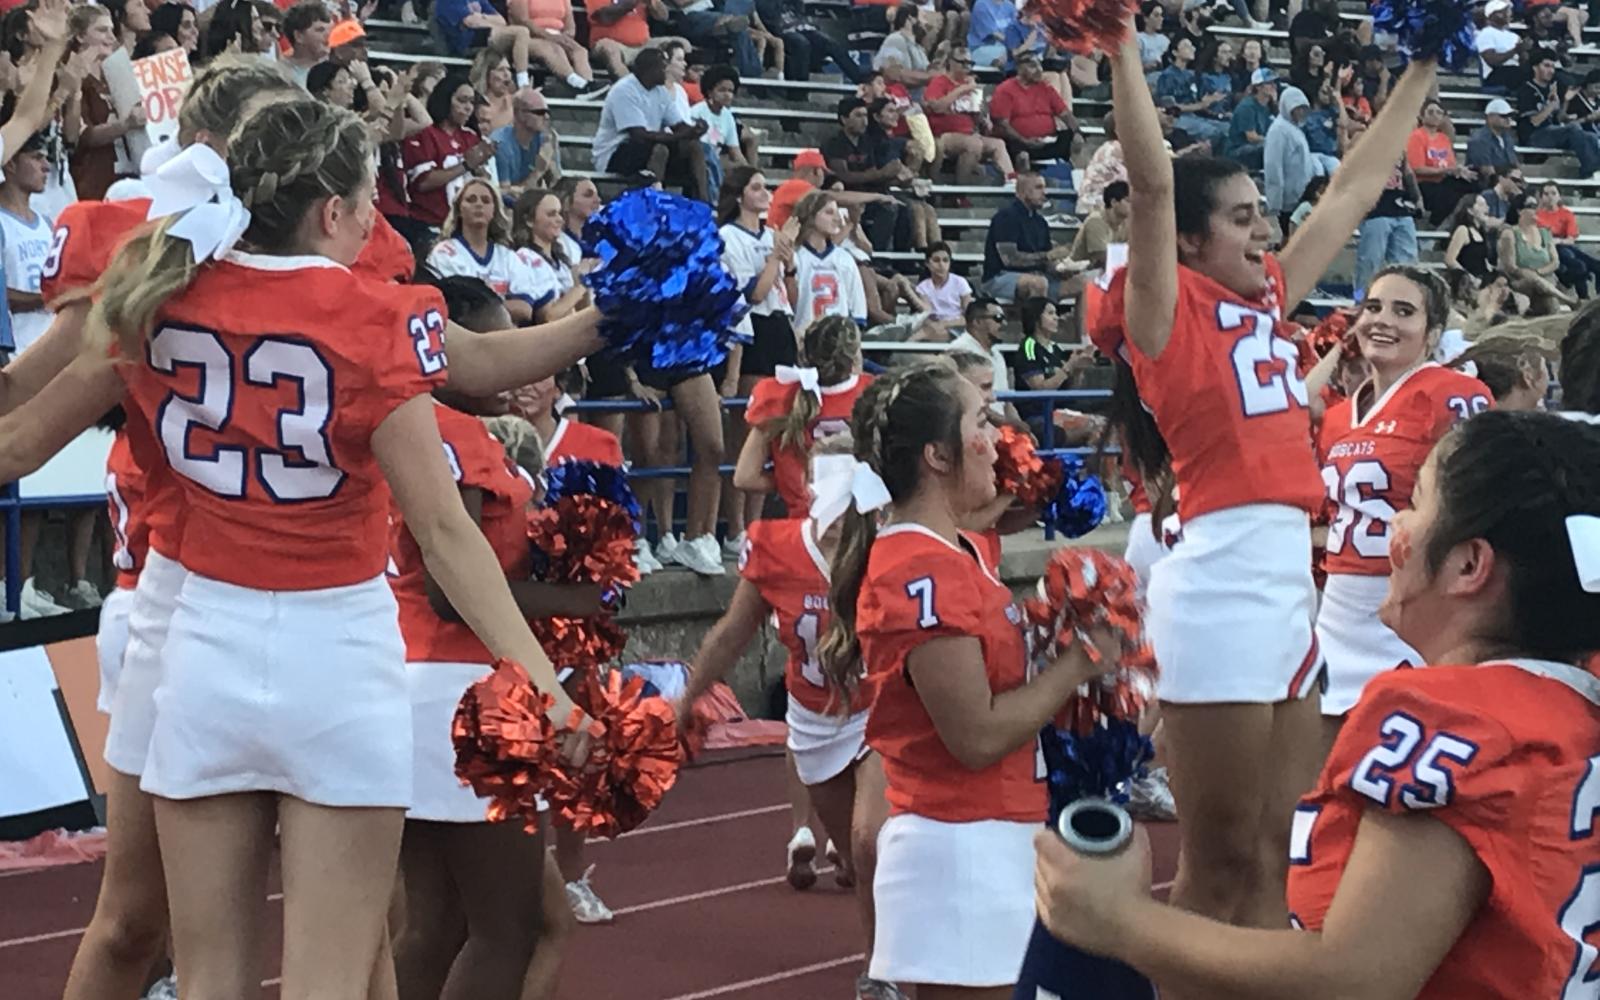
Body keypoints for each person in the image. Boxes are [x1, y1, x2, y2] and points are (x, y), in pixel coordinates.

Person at [54, 96, 588, 999]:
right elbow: (445, 531)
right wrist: (548, 688)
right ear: (331, 210)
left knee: (211, 979)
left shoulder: (159, 287)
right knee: (332, 981)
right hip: (336, 653)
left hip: (202, 646)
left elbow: (31, 422)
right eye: (368, 203)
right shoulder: (372, 316)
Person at [1035, 408, 1600, 1000]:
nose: (1396, 522)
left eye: (1418, 500)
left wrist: (1120, 921)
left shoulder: (1460, 713)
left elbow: (1356, 977)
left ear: (1468, 565)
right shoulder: (1566, 706)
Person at [1096, 31, 1439, 930]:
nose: (1266, 228)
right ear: (1192, 241)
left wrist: (1424, 63)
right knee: (1217, 868)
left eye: (1262, 211)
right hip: (1221, 588)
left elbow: (1357, 188)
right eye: (1244, 217)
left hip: (1291, 587)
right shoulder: (1164, 313)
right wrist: (1121, 42)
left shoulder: (1264, 298)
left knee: (1280, 858)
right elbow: (1156, 182)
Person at [814, 363, 1106, 998]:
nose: (999, 435)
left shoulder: (954, 549)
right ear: (937, 455)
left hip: (990, 836)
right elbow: (973, 735)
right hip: (959, 847)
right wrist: (1079, 662)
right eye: (981, 420)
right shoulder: (918, 566)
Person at [389, 276, 599, 1000]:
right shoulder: (454, 436)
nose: (511, 369)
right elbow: (450, 587)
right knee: (512, 927)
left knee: (434, 923)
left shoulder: (408, 427)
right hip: (465, 690)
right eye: (494, 345)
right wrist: (573, 599)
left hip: (414, 681)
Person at [689, 439, 897, 1000]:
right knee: (855, 862)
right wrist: (684, 701)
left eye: (854, 524)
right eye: (834, 526)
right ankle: (896, 933)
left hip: (881, 709)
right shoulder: (776, 550)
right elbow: (732, 634)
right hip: (813, 713)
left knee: (869, 837)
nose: (843, 538)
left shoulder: (890, 549)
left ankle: (878, 969)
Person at [1307, 266, 1492, 755]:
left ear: (1432, 336)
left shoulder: (1449, 394)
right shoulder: (1343, 414)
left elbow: (1480, 504)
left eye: (1403, 311)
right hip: (1338, 614)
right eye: (1373, 307)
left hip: (1408, 616)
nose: (1382, 320)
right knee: (1310, 784)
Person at [734, 315, 869, 517]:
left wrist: (787, 480)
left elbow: (745, 477)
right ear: (854, 356)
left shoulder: (779, 395)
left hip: (803, 529)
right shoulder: (873, 393)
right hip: (860, 527)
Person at [426, 178, 557, 324]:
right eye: (471, 199)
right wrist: (502, 305)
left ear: (494, 210)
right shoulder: (444, 253)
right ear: (459, 210)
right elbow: (456, 311)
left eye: (486, 200)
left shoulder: (507, 256)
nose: (479, 204)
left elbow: (524, 309)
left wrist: (480, 308)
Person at [592, 48, 708, 201]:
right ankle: (655, 199)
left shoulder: (661, 91)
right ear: (648, 70)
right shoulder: (624, 90)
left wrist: (695, 130)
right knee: (660, 148)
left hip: (648, 149)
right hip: (615, 153)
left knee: (693, 146)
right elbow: (639, 135)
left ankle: (703, 201)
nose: (665, 72)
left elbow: (679, 126)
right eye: (662, 68)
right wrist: (681, 135)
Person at [402, 73, 494, 233]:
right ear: (445, 99)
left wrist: (481, 173)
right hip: (430, 225)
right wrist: (465, 165)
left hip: (463, 229)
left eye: (471, 102)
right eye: (462, 100)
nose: (468, 108)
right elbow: (422, 183)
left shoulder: (470, 136)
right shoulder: (425, 133)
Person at [922, 47, 1017, 184]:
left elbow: (976, 118)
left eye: (970, 63)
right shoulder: (940, 81)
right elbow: (936, 107)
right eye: (963, 62)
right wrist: (962, 90)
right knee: (974, 144)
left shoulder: (971, 86)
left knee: (998, 144)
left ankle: (1011, 182)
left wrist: (982, 118)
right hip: (944, 135)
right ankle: (961, 192)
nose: (967, 67)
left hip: (969, 133)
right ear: (951, 62)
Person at [789, 189, 868, 328]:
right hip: (803, 338)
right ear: (811, 216)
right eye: (829, 212)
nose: (837, 218)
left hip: (838, 340)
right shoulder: (795, 256)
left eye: (837, 212)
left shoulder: (845, 258)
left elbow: (858, 309)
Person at [1518, 50, 1600, 179]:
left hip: (1554, 133)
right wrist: (1551, 106)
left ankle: (1594, 172)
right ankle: (1589, 171)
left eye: (1552, 67)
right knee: (1573, 130)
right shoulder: (1527, 89)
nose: (1551, 70)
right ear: (1535, 67)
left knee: (1590, 136)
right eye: (1546, 66)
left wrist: (1566, 102)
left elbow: (1560, 119)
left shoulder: (1553, 88)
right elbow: (1535, 121)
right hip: (1534, 135)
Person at [990, 52, 1077, 172]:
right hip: (1019, 142)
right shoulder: (1005, 90)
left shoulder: (1046, 88)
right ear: (1019, 69)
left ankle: (1071, 177)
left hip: (1047, 140)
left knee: (1070, 137)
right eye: (1033, 66)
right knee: (1016, 148)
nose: (1039, 70)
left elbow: (1065, 114)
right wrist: (1024, 140)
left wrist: (1077, 132)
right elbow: (1002, 125)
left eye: (1040, 65)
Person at [1498, 191, 1577, 315]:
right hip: (1520, 281)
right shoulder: (1509, 234)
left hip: (1546, 280)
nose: (1537, 209)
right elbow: (1511, 267)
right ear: (1520, 211)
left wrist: (1539, 273)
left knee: (1549, 301)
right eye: (1532, 206)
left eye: (1537, 206)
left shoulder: (1545, 233)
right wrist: (1531, 275)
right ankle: (1569, 301)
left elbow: (1555, 262)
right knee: (1534, 281)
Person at [1407, 99, 1476, 226]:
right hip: (1423, 183)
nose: (1435, 115)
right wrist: (1447, 170)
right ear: (1422, 116)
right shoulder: (1416, 136)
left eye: (1439, 112)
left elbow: (1451, 165)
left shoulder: (1443, 138)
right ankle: (1433, 226)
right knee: (1449, 195)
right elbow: (1417, 168)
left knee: (1473, 185)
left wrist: (1460, 171)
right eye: (1431, 112)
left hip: (1442, 180)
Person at [689, 64, 753, 196]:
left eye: (730, 91)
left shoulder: (728, 116)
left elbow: (735, 152)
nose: (727, 95)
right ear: (710, 91)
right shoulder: (697, 112)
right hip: (699, 160)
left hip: (718, 160)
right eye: (722, 90)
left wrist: (751, 173)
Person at [492, 88, 561, 198]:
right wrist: (538, 171)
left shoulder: (548, 137)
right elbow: (504, 198)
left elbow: (557, 187)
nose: (546, 117)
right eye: (539, 112)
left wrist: (550, 168)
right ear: (520, 114)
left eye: (547, 112)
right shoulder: (500, 143)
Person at [1536, 180, 1600, 299]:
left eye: (1553, 193)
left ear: (1559, 196)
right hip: (1547, 248)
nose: (1550, 197)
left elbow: (1570, 239)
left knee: (1597, 266)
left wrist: (1558, 240)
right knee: (1579, 265)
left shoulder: (1566, 214)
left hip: (1563, 245)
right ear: (1541, 197)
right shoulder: (1536, 215)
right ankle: (1583, 297)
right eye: (1546, 194)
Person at [1068, 180, 1129, 271]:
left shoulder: (1126, 223)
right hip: (1080, 273)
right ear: (1114, 202)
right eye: (1129, 201)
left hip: (1106, 273)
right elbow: (1102, 259)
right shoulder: (1095, 221)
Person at [1225, 67, 1278, 169]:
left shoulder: (1268, 106)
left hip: (1255, 146)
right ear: (1258, 87)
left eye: (1274, 83)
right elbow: (1251, 137)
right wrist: (1273, 141)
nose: (1274, 86)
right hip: (1239, 150)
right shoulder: (1247, 106)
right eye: (1269, 83)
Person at [915, 242, 972, 328]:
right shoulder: (922, 287)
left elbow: (969, 315)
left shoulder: (960, 282)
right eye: (936, 260)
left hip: (958, 326)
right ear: (927, 263)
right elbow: (926, 314)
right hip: (933, 326)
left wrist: (945, 324)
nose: (941, 265)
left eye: (945, 260)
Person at [1442, 193, 1495, 284]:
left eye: (1486, 204)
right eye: (1481, 205)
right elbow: (1450, 260)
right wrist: (1469, 278)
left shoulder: (1481, 233)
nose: (1487, 208)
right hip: (1468, 282)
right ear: (1470, 210)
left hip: (1483, 279)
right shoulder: (1463, 230)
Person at [1465, 97, 1520, 183]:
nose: (1508, 119)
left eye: (1510, 116)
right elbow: (1487, 172)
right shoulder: (1479, 139)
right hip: (1484, 187)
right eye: (1504, 116)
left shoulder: (1508, 138)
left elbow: (1515, 166)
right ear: (1490, 117)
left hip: (1506, 184)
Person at [1475, 0, 1525, 90]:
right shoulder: (1486, 33)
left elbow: (1522, 61)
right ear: (1492, 14)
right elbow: (1492, 60)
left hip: (1515, 72)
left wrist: (1524, 51)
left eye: (1508, 11)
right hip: (1495, 75)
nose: (1508, 14)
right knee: (1516, 73)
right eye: (1503, 11)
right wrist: (1514, 51)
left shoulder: (1514, 36)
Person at [279, 1, 330, 86]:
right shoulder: (279, 72)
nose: (328, 35)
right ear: (299, 36)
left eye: (329, 30)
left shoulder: (334, 72)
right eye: (320, 30)